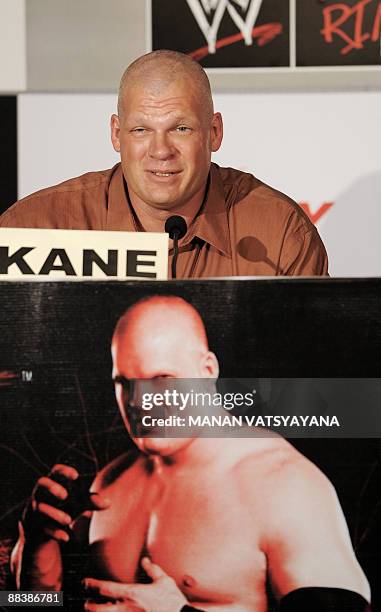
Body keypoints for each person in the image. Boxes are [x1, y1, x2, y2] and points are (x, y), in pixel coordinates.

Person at [12, 296, 370, 611]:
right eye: (125, 383)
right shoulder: (110, 483)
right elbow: (27, 607)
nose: (140, 403)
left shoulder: (283, 484)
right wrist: (35, 547)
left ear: (207, 371)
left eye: (162, 380)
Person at [0, 51, 328, 278]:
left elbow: (315, 373)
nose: (161, 150)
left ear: (214, 133)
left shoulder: (279, 233)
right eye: (141, 130)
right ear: (117, 134)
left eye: (180, 128)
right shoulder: (33, 228)